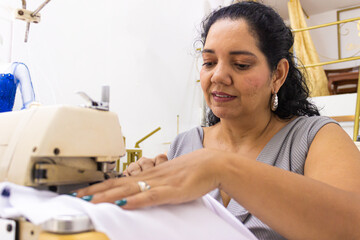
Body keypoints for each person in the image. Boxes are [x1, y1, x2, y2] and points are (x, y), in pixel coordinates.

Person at [77, 2, 360, 239]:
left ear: (278, 75)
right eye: (209, 62)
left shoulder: (315, 137)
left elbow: (351, 226)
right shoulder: (184, 144)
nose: (218, 77)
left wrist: (221, 168)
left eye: (241, 65)